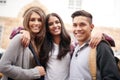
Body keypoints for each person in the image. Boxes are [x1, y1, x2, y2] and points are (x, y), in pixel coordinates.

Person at [69, 10, 120, 80]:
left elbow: (112, 77)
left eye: (82, 24)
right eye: (75, 25)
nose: (78, 29)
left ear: (91, 27)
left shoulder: (101, 47)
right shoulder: (74, 48)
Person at [0, 6, 46, 80]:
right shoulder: (20, 38)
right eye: (32, 20)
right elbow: (2, 66)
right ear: (27, 22)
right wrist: (34, 72)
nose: (36, 23)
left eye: (40, 20)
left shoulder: (38, 42)